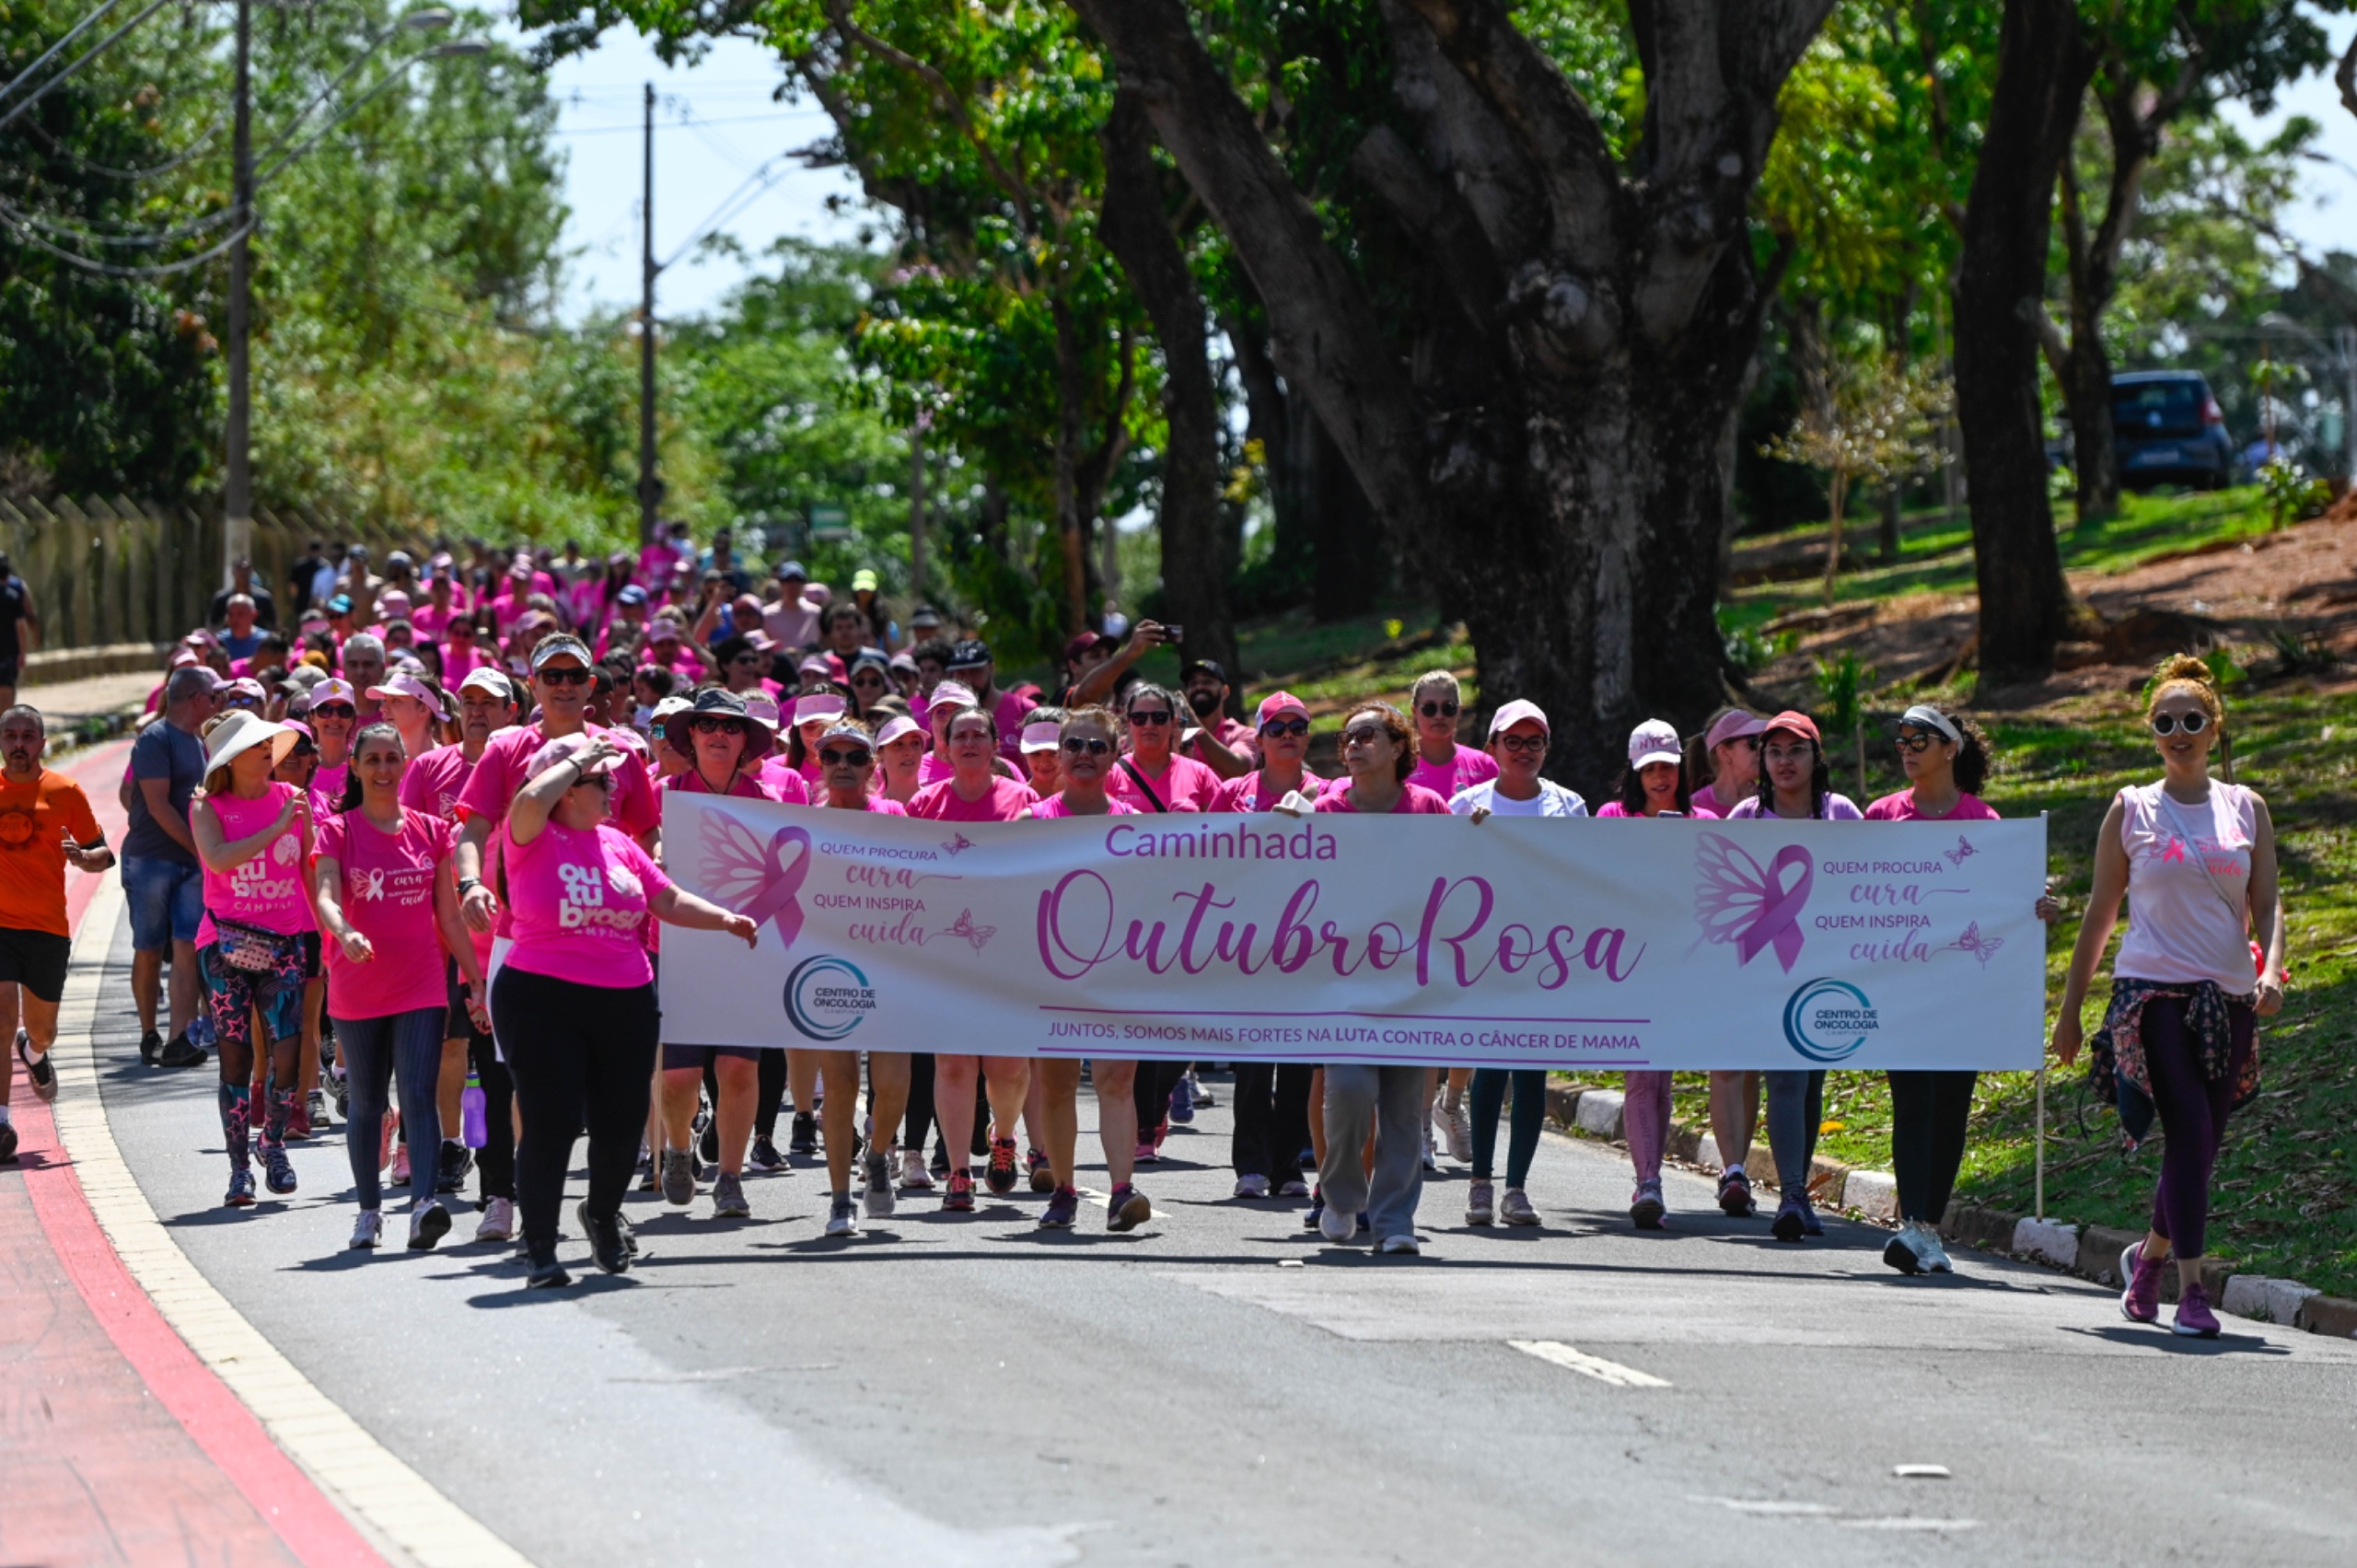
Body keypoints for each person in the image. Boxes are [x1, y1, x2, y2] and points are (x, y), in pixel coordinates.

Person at [2052, 658, 2282, 1339]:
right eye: (2165, 722)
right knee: (2187, 1127)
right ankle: (2192, 1290)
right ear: (2151, 732)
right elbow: (2099, 915)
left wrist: (2271, 971)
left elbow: (2268, 903)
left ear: (2214, 728)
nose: (2178, 732)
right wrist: (2069, 1009)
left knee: (2203, 1141)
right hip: (2151, 991)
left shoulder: (2248, 808)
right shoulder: (2132, 807)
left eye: (2192, 720)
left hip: (2231, 996)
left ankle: (2146, 1261)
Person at [491, 734, 755, 1286]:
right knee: (553, 1122)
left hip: (625, 996)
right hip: (541, 995)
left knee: (620, 1122)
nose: (614, 785)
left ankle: (603, 1215)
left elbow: (666, 899)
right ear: (567, 789)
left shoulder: (618, 843)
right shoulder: (530, 832)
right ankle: (540, 1246)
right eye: (601, 779)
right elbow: (530, 800)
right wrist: (580, 757)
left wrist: (725, 918)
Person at [1867, 703, 2059, 1274]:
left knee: (1951, 1106)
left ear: (1951, 748)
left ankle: (1927, 1229)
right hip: (1902, 992)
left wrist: (2039, 905)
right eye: (1900, 738)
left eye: (1918, 738)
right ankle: (1913, 1226)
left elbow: (2008, 898)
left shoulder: (1985, 822)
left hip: (1964, 995)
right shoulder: (1881, 816)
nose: (1905, 747)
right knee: (1912, 1103)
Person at [313, 724, 490, 1251]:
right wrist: (342, 931)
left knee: (417, 1093)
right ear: (357, 767)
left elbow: (450, 918)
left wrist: (475, 980)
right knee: (367, 1103)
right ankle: (368, 1212)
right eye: (373, 760)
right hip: (357, 983)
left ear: (407, 763)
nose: (384, 769)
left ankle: (422, 1206)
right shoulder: (338, 831)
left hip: (421, 984)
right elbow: (324, 895)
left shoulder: (433, 831)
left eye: (393, 759)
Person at [1302, 703, 1445, 1254]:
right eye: (1347, 738)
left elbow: (1457, 872)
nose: (1353, 746)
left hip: (1411, 981)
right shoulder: (1328, 808)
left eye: (1367, 735)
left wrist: (1479, 839)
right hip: (1346, 980)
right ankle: (1340, 1196)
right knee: (1354, 1089)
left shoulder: (1429, 807)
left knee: (1405, 1109)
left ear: (1396, 747)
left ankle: (1393, 1223)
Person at [1450, 700, 1590, 1228]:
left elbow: (1581, 875)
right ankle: (1480, 1184)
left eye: (1535, 742)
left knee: (1532, 1073)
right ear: (1493, 748)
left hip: (1544, 956)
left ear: (1547, 749)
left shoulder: (1567, 806)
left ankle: (1517, 1189)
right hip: (1485, 955)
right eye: (1513, 741)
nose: (1524, 751)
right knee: (1490, 1068)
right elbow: (1446, 875)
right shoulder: (1465, 804)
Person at [1724, 710, 1862, 1241]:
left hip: (1828, 973)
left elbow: (1869, 883)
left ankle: (1797, 1193)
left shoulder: (1840, 814)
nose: (1785, 761)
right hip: (1766, 972)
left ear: (1816, 757)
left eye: (1796, 750)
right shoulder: (1745, 818)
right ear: (1762, 761)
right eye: (1775, 751)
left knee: (1810, 1085)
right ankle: (1792, 1197)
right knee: (1785, 1077)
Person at [1022, 706, 1153, 1231]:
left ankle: (1122, 1191)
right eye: (1074, 745)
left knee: (1116, 1079)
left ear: (1115, 756)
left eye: (1097, 747)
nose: (1084, 755)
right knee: (1055, 1085)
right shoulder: (1032, 822)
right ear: (1058, 753)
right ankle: (1065, 1190)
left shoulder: (1136, 826)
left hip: (1116, 969)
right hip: (1050, 971)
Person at [401, 667, 520, 1237]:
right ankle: (449, 1146)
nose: (476, 711)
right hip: (436, 940)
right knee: (448, 1052)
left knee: (506, 1071)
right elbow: (399, 839)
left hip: (511, 943)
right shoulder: (427, 768)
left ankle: (507, 1180)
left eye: (489, 703)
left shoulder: (529, 768)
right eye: (467, 701)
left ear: (511, 713)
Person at [653, 689, 781, 1222]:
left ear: (745, 739)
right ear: (692, 736)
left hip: (743, 954)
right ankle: (679, 1149)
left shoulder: (768, 806)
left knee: (737, 1070)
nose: (718, 735)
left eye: (730, 727)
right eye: (707, 725)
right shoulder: (663, 796)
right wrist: (657, 851)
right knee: (679, 1077)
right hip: (678, 952)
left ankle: (731, 1177)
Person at [907, 703, 1036, 1211]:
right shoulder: (924, 805)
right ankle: (959, 1172)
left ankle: (1003, 1137)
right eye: (959, 735)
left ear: (995, 744)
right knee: (955, 1065)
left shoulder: (1022, 797)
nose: (968, 743)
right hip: (946, 952)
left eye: (979, 734)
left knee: (1006, 1069)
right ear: (945, 747)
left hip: (1009, 951)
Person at [190, 711, 313, 1206]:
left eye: (269, 742)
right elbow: (217, 859)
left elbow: (309, 868)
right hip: (223, 948)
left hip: (285, 944)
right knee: (236, 1056)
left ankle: (274, 1143)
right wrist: (276, 827)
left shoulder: (294, 800)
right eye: (255, 744)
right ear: (230, 759)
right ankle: (240, 1168)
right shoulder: (206, 806)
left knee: (287, 1054)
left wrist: (335, 930)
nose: (268, 749)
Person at [798, 718, 914, 1237]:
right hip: (826, 970)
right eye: (832, 757)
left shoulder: (896, 816)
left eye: (854, 757)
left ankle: (878, 1154)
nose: (842, 766)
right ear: (819, 764)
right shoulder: (804, 823)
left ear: (873, 767)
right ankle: (841, 1199)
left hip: (890, 971)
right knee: (841, 1084)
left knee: (892, 1088)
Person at [1209, 692, 1319, 1202]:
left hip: (1308, 945)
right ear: (1259, 738)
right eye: (1277, 728)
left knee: (1297, 1063)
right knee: (1253, 1062)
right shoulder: (1231, 793)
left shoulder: (1329, 793)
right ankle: (1250, 1164)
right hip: (1246, 946)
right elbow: (1204, 856)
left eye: (1297, 726)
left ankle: (1289, 1166)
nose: (1288, 735)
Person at [0, 707, 112, 1165]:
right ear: (2, 742)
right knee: (1, 1016)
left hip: (47, 929)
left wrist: (84, 860)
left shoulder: (65, 792)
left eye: (28, 736)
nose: (19, 744)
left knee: (41, 1029)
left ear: (42, 743)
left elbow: (103, 853)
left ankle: (34, 1049)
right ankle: (2, 1120)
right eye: (11, 736)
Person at [1682, 707, 1771, 1214]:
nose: (1763, 750)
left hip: (1763, 950)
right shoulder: (1694, 806)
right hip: (1711, 953)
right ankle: (1733, 1169)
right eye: (1753, 742)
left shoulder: (1771, 805)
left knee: (1752, 1062)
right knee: (1725, 1062)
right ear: (1723, 752)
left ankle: (1737, 1164)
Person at [124, 666, 214, 1067]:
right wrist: (200, 848)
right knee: (147, 947)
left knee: (187, 945)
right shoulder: (155, 738)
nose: (215, 705)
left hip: (191, 863)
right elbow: (158, 805)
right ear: (196, 699)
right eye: (211, 698)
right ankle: (149, 1033)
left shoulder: (200, 742)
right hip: (151, 860)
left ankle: (180, 1037)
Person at [1106, 682, 1222, 814]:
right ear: (1128, 723)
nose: (1149, 725)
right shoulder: (1110, 777)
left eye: (1159, 717)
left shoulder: (1201, 776)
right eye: (1139, 718)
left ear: (1174, 723)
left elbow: (1224, 827)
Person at [1404, 670, 1497, 801]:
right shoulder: (1397, 767)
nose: (1439, 716)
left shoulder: (1485, 766)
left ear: (1459, 711)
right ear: (1414, 711)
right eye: (1429, 708)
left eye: (1448, 708)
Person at [943, 639, 1036, 764]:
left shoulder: (1024, 710)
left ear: (991, 668)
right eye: (961, 673)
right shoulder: (944, 716)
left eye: (975, 671)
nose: (968, 680)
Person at [1178, 657, 1253, 779]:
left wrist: (1194, 726)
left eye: (1207, 682)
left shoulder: (1244, 734)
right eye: (1193, 683)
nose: (1199, 687)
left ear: (1225, 692)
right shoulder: (1176, 737)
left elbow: (1237, 769)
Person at [0, 552, 41, 714]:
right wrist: (35, 637)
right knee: (7, 688)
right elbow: (28, 617)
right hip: (10, 649)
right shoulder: (18, 588)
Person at [763, 562, 821, 650]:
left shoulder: (816, 613)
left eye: (798, 580)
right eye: (788, 580)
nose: (793, 585)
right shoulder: (767, 614)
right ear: (781, 584)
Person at [1016, 714, 1064, 799]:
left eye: (1053, 753)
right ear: (1025, 754)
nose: (1044, 762)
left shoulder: (1087, 798)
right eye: (1035, 753)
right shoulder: (1015, 799)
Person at [217, 594, 266, 661]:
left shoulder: (265, 641)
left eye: (240, 614)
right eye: (231, 614)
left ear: (253, 614)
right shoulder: (219, 642)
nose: (234, 619)